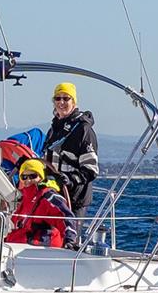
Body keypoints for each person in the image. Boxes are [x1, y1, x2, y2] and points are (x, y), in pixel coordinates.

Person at [42, 82, 99, 220]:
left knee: (70, 239)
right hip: (54, 196)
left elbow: (91, 170)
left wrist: (70, 179)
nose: (61, 102)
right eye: (58, 98)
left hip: (75, 199)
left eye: (66, 98)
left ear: (74, 101)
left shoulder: (83, 130)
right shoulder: (53, 129)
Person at [6, 159, 77, 248]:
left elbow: (66, 217)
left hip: (44, 248)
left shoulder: (49, 197)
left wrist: (70, 240)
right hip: (24, 244)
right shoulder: (25, 198)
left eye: (33, 176)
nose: (28, 180)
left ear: (41, 177)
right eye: (24, 177)